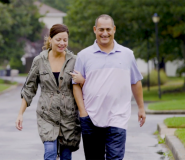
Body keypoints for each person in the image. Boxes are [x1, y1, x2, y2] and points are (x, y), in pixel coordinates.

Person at [72, 14, 146, 160]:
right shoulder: (83, 55)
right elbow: (76, 85)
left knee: (115, 158)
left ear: (114, 29)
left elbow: (135, 82)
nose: (104, 33)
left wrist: (141, 108)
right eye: (101, 29)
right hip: (91, 117)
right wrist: (83, 113)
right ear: (94, 30)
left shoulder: (127, 54)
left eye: (108, 29)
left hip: (118, 116)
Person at [15, 24, 85, 160]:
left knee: (66, 156)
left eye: (65, 40)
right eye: (58, 39)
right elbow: (29, 88)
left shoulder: (75, 61)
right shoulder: (39, 61)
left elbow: (85, 87)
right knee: (50, 153)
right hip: (47, 115)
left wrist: (82, 80)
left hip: (68, 116)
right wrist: (20, 114)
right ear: (50, 39)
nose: (62, 43)